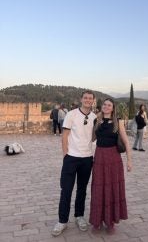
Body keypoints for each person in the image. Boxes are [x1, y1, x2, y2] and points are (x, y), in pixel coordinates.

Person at [51, 90, 96, 236]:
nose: (88, 100)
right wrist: (65, 155)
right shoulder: (71, 114)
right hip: (71, 157)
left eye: (90, 98)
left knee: (82, 189)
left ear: (93, 101)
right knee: (66, 190)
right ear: (81, 99)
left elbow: (94, 138)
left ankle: (79, 216)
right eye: (85, 98)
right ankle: (62, 221)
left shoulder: (95, 117)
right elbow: (64, 135)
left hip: (87, 158)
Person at [89, 98, 132, 233]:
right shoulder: (97, 121)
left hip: (113, 158)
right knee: (98, 189)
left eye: (109, 105)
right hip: (100, 157)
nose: (106, 107)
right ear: (102, 107)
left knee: (112, 188)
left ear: (112, 108)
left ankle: (110, 221)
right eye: (105, 105)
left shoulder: (117, 122)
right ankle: (97, 220)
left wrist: (129, 160)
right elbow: (91, 138)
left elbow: (126, 142)